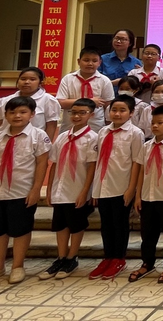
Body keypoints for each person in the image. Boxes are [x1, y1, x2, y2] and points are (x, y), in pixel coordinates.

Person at [41, 98, 97, 280]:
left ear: (91, 115)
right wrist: (49, 189)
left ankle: (72, 257)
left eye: (82, 113)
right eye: (74, 112)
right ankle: (61, 257)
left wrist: (85, 191)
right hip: (60, 189)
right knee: (60, 225)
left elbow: (92, 167)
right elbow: (54, 164)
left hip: (77, 189)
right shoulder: (63, 136)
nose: (77, 116)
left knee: (76, 225)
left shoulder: (92, 138)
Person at [89, 94, 143, 280]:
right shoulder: (103, 132)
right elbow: (99, 161)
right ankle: (108, 257)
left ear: (131, 113)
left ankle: (119, 258)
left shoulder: (135, 133)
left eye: (122, 110)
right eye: (114, 110)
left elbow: (136, 162)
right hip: (103, 185)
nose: (117, 114)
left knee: (120, 224)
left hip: (121, 186)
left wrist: (131, 189)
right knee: (106, 224)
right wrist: (96, 188)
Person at [0, 96, 51, 284]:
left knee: (20, 229)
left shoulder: (38, 136)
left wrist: (36, 189)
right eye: (12, 112)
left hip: (22, 191)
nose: (17, 116)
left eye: (22, 112)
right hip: (1, 190)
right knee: (1, 230)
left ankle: (17, 266)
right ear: (5, 115)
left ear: (32, 114)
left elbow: (42, 163)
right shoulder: (0, 135)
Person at [130, 106, 163, 284]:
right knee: (147, 233)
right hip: (147, 196)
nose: (155, 126)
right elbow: (141, 170)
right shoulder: (146, 146)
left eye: (160, 123)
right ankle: (147, 262)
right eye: (153, 123)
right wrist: (138, 195)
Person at [56, 47, 115, 133]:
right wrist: (90, 101)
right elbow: (61, 103)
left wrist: (108, 125)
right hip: (70, 125)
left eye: (94, 61)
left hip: (95, 125)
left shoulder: (105, 80)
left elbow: (108, 106)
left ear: (99, 63)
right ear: (79, 61)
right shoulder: (68, 79)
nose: (90, 63)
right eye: (86, 60)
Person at [0, 67, 59, 140]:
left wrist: (47, 143)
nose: (26, 82)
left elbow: (51, 125)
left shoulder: (48, 100)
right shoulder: (5, 100)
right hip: (6, 140)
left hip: (34, 141)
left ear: (40, 83)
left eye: (32, 79)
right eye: (23, 79)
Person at [115, 75, 154, 139]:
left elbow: (144, 126)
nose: (124, 91)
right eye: (121, 89)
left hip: (136, 137)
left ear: (136, 90)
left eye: (127, 89)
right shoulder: (114, 104)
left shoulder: (141, 106)